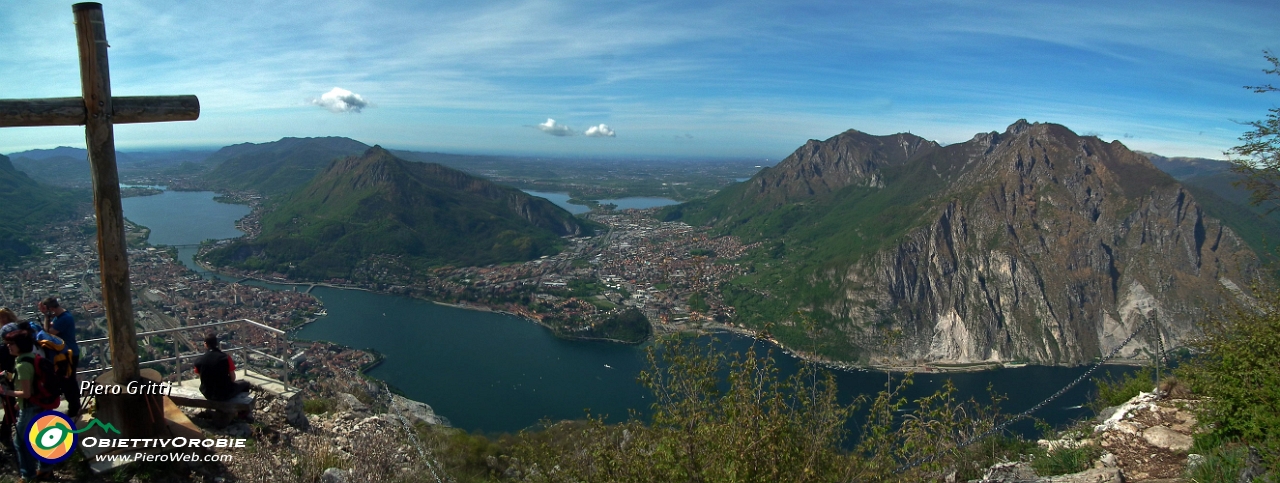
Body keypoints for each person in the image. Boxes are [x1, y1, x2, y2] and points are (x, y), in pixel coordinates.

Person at [2, 325, 51, 481]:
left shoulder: (22, 365)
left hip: (30, 407)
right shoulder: (31, 357)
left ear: (20, 346)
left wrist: (6, 392)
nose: (8, 347)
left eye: (11, 344)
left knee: (21, 443)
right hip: (38, 404)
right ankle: (45, 469)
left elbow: (26, 392)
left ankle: (27, 475)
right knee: (39, 438)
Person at [38, 297, 79, 418]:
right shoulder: (62, 316)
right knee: (69, 381)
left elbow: (48, 332)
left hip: (67, 355)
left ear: (51, 309)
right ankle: (75, 406)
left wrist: (46, 316)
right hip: (67, 353)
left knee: (68, 382)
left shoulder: (64, 319)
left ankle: (74, 408)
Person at [193, 333, 251, 401]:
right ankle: (242, 409)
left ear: (205, 344)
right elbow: (233, 378)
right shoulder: (225, 358)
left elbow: (201, 378)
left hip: (207, 393)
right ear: (216, 344)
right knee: (245, 384)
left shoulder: (199, 361)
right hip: (224, 393)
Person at [0, 310, 17, 453]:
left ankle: (5, 436)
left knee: (12, 407)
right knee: (11, 407)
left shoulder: (9, 340)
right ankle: (5, 436)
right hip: (7, 378)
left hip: (11, 377)